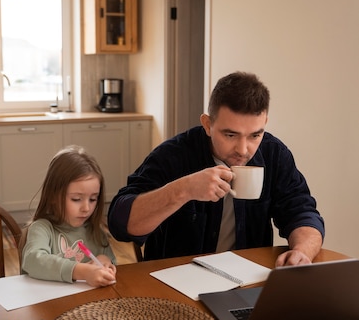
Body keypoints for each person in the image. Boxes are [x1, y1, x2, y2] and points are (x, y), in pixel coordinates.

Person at [108, 72, 324, 266]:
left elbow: (302, 212)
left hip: (245, 281)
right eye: (230, 135)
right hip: (174, 285)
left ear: (265, 122)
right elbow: (120, 224)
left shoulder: (274, 154)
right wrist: (184, 189)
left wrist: (302, 252)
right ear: (207, 124)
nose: (243, 149)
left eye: (255, 135)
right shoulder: (173, 154)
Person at [22, 145, 117, 286]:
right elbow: (33, 261)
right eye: (76, 199)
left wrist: (105, 262)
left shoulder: (95, 231)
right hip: (49, 304)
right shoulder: (42, 228)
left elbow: (111, 262)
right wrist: (82, 271)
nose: (86, 208)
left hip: (87, 306)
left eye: (93, 199)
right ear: (53, 196)